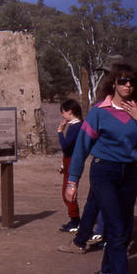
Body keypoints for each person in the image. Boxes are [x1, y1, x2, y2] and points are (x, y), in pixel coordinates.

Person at [62, 63, 137, 274]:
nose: (128, 86)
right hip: (104, 171)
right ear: (113, 83)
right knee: (115, 227)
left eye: (132, 82)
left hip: (129, 173)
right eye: (123, 81)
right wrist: (72, 181)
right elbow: (82, 147)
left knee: (124, 228)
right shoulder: (99, 111)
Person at [57, 99, 83, 232]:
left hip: (72, 160)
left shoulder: (75, 126)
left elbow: (67, 147)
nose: (62, 115)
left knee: (68, 192)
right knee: (67, 191)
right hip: (71, 160)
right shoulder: (76, 126)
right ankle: (75, 219)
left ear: (70, 111)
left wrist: (60, 132)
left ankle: (75, 221)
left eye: (63, 112)